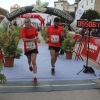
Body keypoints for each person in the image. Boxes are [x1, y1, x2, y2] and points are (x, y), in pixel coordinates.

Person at [20, 18, 41, 83]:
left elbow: (37, 36)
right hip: (27, 48)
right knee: (29, 60)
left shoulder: (34, 28)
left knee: (33, 61)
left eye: (27, 22)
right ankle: (29, 65)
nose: (26, 23)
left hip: (34, 47)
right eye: (25, 22)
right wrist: (33, 39)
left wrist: (38, 40)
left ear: (30, 22)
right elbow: (23, 39)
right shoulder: (23, 29)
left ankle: (35, 77)